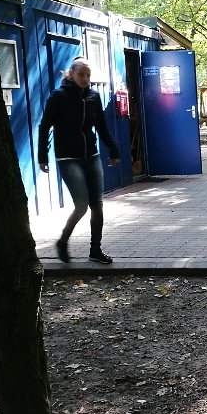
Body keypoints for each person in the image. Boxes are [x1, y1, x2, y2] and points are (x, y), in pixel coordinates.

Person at [38, 57, 120, 264]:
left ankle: (95, 250)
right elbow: (44, 126)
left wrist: (114, 149)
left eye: (88, 75)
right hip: (68, 158)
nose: (85, 78)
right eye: (81, 74)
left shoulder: (93, 96)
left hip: (91, 156)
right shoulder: (59, 97)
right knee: (82, 205)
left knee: (97, 205)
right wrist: (42, 156)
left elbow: (101, 126)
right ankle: (63, 241)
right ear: (72, 74)